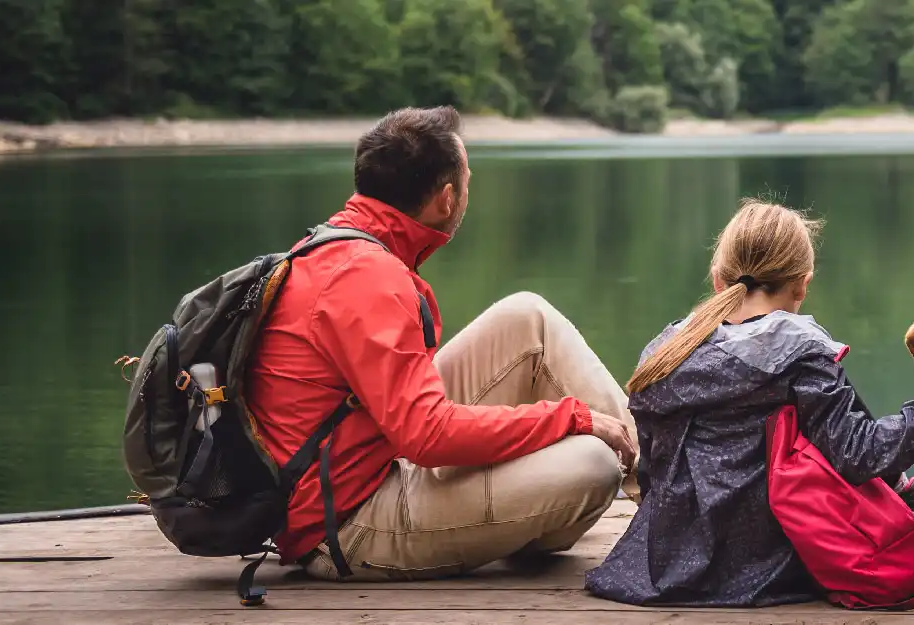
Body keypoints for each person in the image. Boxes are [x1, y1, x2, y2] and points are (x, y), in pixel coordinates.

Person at [245, 106, 640, 581]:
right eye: (469, 178)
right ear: (447, 199)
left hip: (370, 453)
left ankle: (661, 486)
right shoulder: (368, 278)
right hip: (348, 524)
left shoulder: (339, 246)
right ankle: (660, 496)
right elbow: (428, 436)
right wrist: (569, 418)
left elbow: (410, 423)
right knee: (593, 464)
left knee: (526, 317)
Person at [584, 200, 914, 607]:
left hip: (665, 561)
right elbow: (860, 453)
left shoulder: (665, 351)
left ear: (719, 279)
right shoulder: (799, 353)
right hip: (763, 566)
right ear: (802, 285)